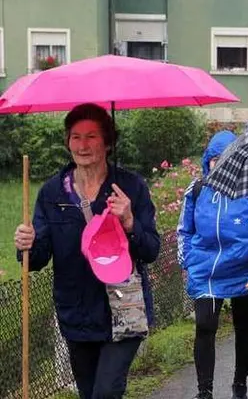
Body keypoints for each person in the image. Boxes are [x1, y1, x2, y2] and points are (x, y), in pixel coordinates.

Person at [13, 103, 160, 399]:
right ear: (67, 142)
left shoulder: (130, 187)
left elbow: (151, 250)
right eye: (76, 137)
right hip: (75, 312)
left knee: (106, 392)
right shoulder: (53, 192)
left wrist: (130, 222)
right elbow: (38, 258)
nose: (83, 145)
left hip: (121, 310)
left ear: (108, 141)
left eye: (92, 136)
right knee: (89, 392)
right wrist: (26, 244)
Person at [177, 130, 248, 399]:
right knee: (205, 327)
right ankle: (204, 391)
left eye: (227, 158)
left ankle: (240, 384)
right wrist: (187, 260)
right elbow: (184, 230)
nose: (220, 164)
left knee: (243, 327)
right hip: (207, 273)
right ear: (208, 161)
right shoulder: (197, 190)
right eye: (215, 159)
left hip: (244, 271)